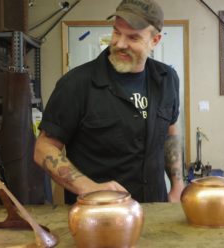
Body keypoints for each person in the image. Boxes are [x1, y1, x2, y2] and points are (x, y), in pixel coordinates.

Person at [34, 0, 185, 204]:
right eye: (116, 32)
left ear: (155, 40)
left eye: (133, 37)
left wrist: (177, 184)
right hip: (98, 215)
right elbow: (44, 148)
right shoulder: (76, 84)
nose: (120, 43)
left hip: (155, 209)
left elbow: (170, 131)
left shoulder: (167, 78)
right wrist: (88, 187)